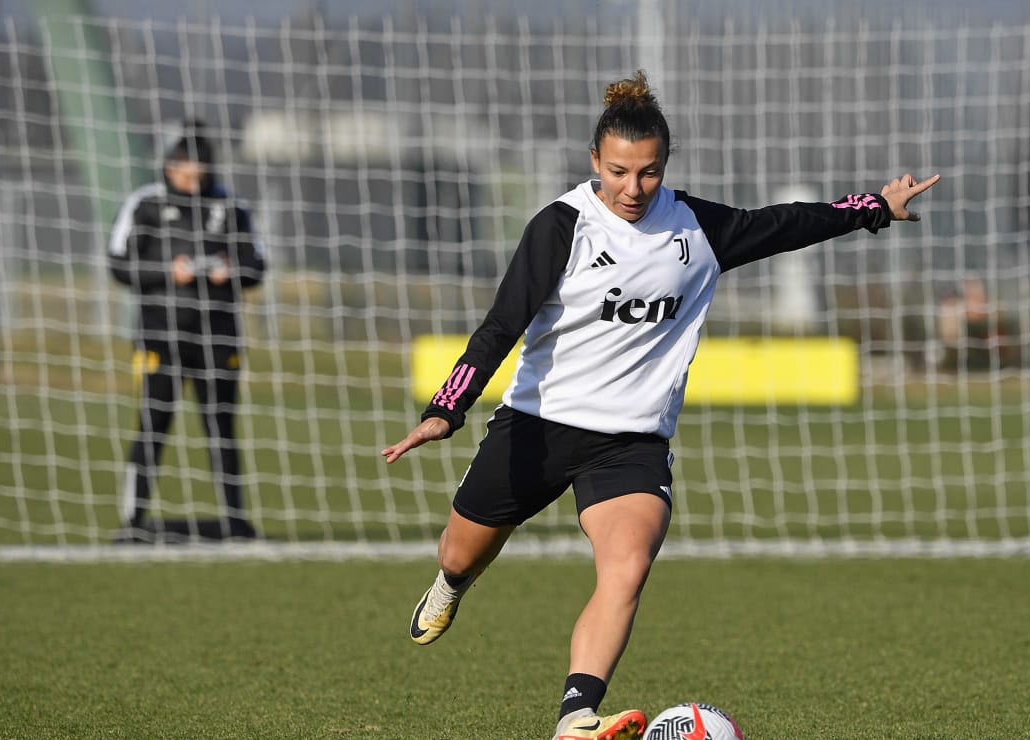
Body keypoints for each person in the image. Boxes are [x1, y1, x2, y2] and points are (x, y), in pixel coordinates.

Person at [382, 71, 938, 740]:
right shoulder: (561, 227)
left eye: (648, 173)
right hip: (538, 425)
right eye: (618, 171)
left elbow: (786, 224)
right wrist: (449, 408)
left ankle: (575, 718)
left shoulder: (696, 228)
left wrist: (875, 206)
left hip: (633, 443)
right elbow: (501, 325)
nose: (632, 188)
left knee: (627, 568)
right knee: (461, 553)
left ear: (664, 166)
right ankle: (451, 583)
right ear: (595, 161)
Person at [108, 119, 267, 542]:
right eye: (185, 171)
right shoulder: (145, 204)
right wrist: (168, 271)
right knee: (152, 424)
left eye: (200, 172)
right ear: (169, 166)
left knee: (221, 426)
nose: (193, 181)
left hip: (218, 337)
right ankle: (133, 523)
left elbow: (257, 265)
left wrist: (230, 272)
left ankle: (235, 521)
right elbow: (119, 264)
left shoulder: (230, 206)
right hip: (160, 335)